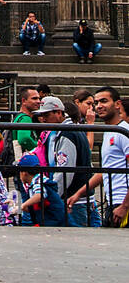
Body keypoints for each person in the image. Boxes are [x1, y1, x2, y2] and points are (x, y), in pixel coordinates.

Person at [67, 88, 129, 228]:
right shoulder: (111, 131)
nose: (99, 106)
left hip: (122, 203)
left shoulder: (124, 132)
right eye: (96, 102)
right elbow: (105, 170)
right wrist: (78, 194)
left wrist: (125, 206)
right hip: (113, 202)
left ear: (117, 104)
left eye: (104, 101)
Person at [36, 95, 92, 225]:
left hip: (74, 200)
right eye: (42, 115)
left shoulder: (67, 133)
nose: (43, 119)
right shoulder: (69, 130)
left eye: (46, 114)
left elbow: (65, 172)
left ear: (59, 113)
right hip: (78, 198)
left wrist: (52, 197)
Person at [16, 152, 66, 226]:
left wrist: (22, 205)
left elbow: (40, 195)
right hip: (49, 220)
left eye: (19, 171)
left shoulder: (38, 181)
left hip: (55, 220)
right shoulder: (34, 183)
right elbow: (31, 208)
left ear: (24, 173)